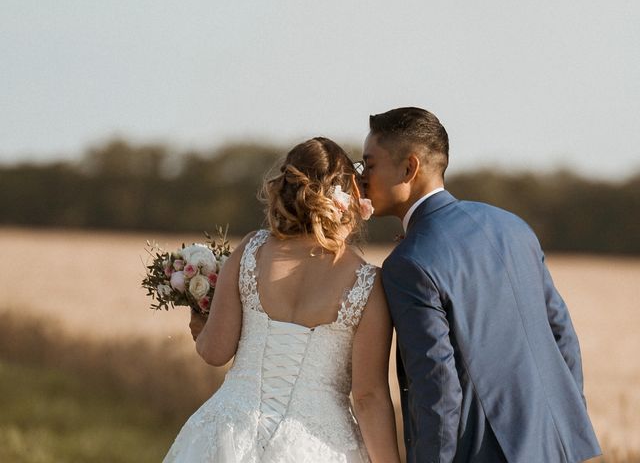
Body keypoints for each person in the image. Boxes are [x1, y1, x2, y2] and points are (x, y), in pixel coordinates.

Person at [361, 107, 601, 463]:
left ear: (409, 168)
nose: (362, 178)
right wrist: (565, 426)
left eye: (369, 164)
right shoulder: (512, 226)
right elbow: (562, 334)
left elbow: (437, 387)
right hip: (558, 445)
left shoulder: (409, 263)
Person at [163, 137, 401, 463]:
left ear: (285, 187)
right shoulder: (367, 282)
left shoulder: (251, 250)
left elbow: (215, 351)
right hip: (315, 444)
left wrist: (199, 319)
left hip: (230, 430)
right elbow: (368, 395)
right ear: (349, 198)